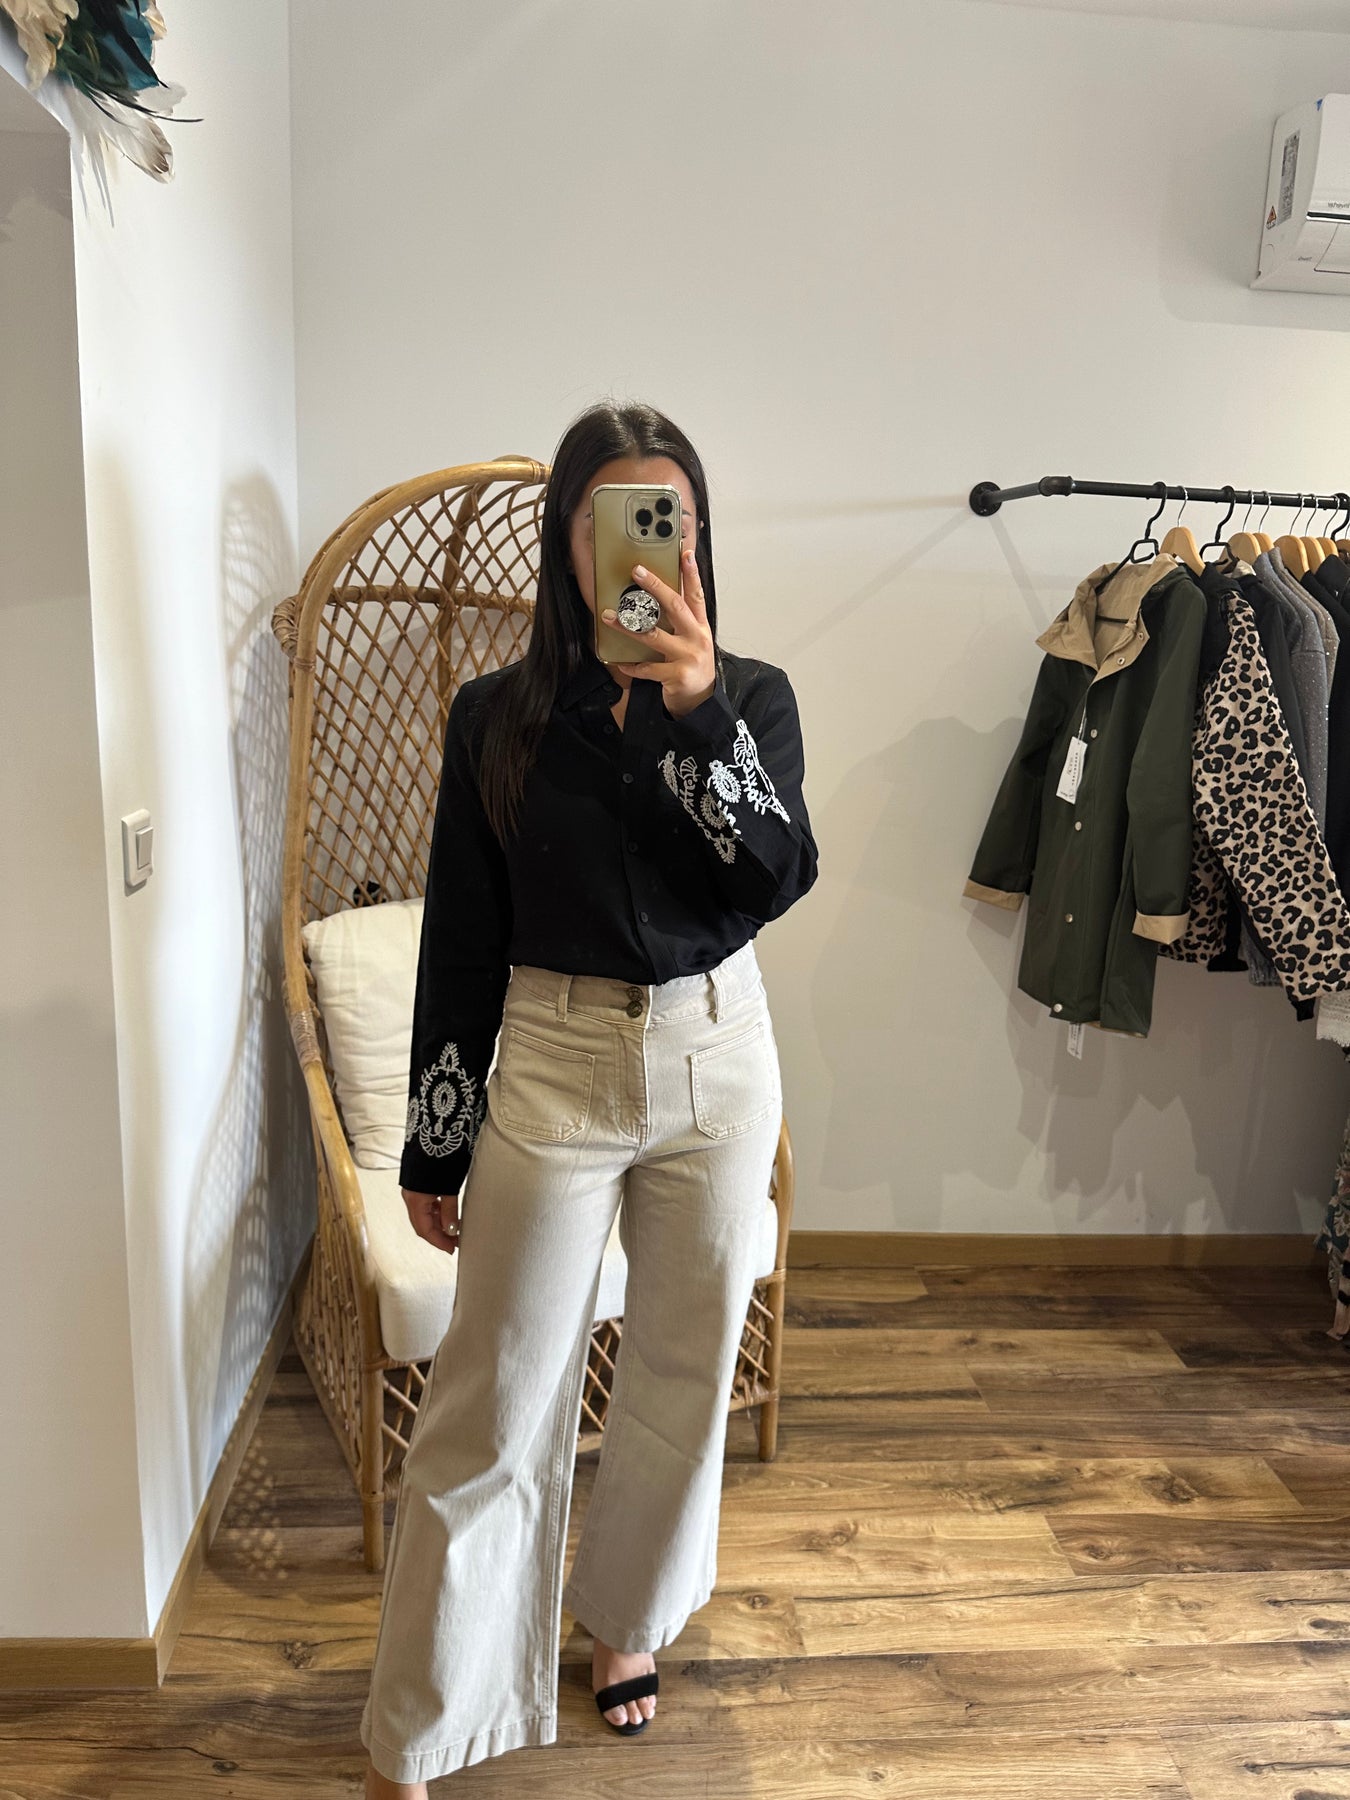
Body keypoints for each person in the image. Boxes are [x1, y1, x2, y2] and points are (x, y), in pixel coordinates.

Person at [360, 399, 818, 1794]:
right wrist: (436, 1139)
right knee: (491, 1397)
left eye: (668, 517)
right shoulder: (495, 720)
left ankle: (626, 1623)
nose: (642, 547)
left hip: (715, 1058)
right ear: (568, 539)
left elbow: (773, 877)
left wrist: (694, 712)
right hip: (552, 1065)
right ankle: (424, 1716)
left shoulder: (750, 699)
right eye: (612, 517)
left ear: (696, 540)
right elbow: (462, 932)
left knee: (682, 1366)